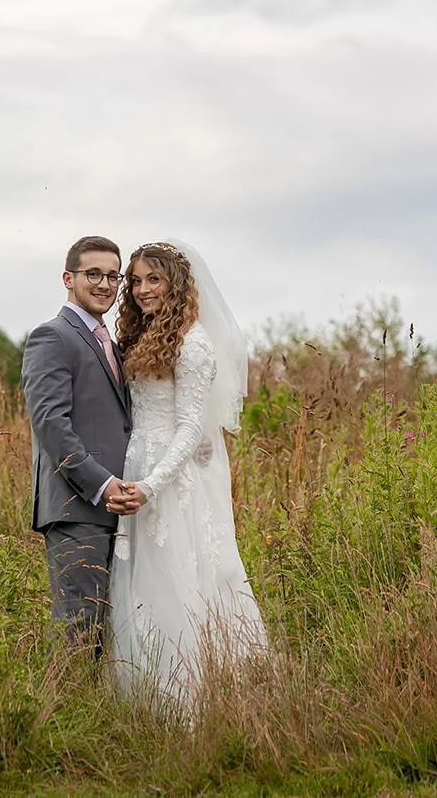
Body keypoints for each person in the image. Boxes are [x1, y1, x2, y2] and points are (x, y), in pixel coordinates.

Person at [107, 240, 267, 704]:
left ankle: (187, 700)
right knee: (140, 583)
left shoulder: (192, 344)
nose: (142, 290)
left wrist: (150, 486)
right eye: (136, 281)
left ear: (175, 284)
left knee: (173, 581)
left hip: (167, 479)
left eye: (153, 279)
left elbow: (191, 426)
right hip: (136, 465)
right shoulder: (143, 335)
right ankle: (141, 696)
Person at [22, 235, 141, 659]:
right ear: (68, 278)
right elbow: (51, 424)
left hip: (121, 508)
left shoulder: (113, 344)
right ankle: (66, 702)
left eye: (113, 276)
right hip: (78, 506)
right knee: (79, 630)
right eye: (93, 274)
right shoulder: (52, 337)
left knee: (113, 634)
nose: (105, 284)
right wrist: (103, 484)